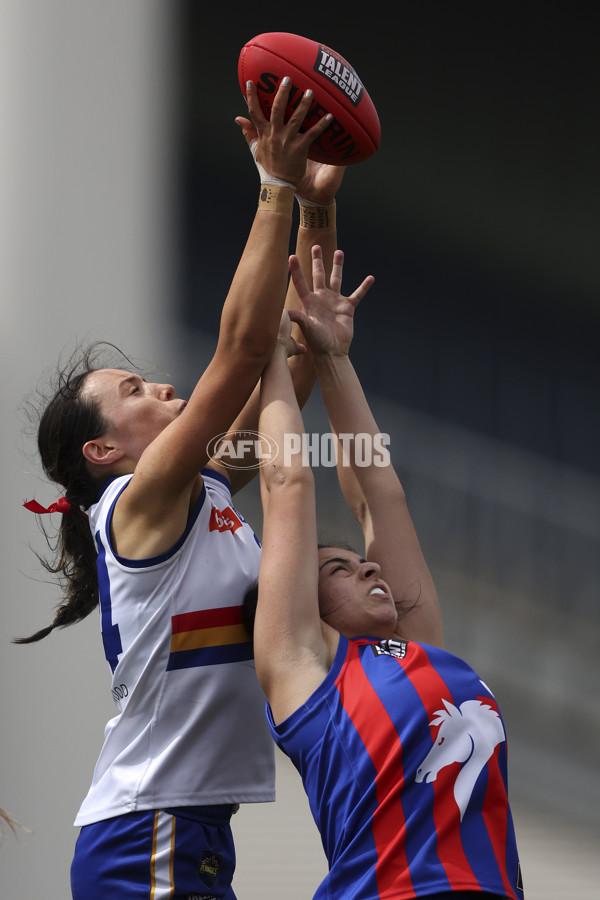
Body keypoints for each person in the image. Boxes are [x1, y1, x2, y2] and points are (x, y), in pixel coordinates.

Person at [18, 77, 344, 900]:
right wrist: (271, 185)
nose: (161, 390)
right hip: (149, 831)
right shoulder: (134, 505)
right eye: (135, 393)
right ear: (102, 449)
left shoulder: (200, 492)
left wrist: (315, 208)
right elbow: (240, 355)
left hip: (180, 828)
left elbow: (291, 367)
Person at [250, 245, 525, 900]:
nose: (369, 564)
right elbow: (288, 481)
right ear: (306, 609)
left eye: (360, 558)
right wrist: (262, 353)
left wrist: (334, 357)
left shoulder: (420, 648)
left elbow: (381, 497)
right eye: (339, 568)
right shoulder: (305, 671)